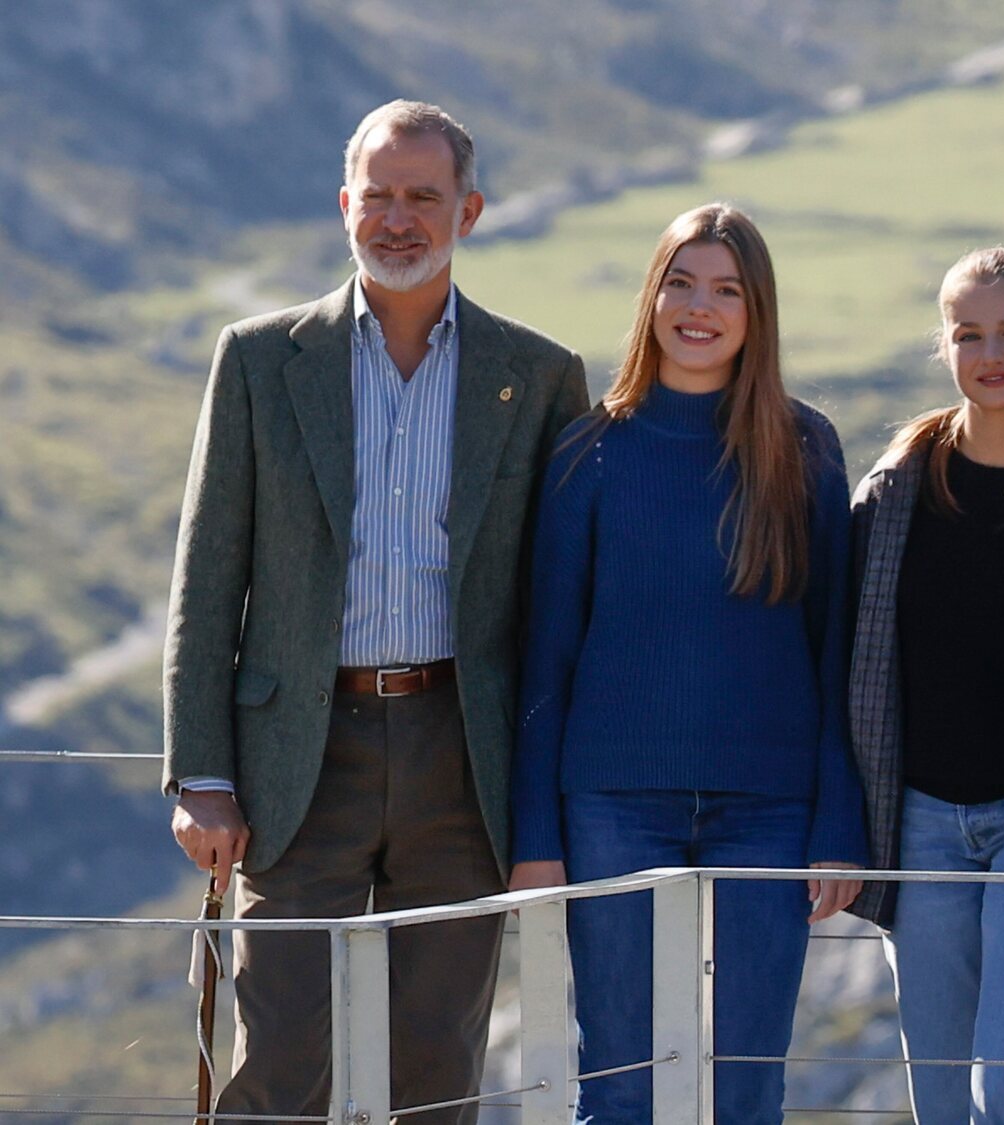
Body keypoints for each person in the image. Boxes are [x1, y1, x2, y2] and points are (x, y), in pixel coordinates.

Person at [162, 99, 589, 1122]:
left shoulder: (536, 378)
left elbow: (564, 607)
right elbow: (207, 580)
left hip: (461, 758)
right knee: (277, 1059)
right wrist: (204, 777)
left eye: (425, 198)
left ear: (469, 212)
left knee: (436, 1065)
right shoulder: (262, 362)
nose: (399, 220)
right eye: (380, 196)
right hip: (295, 762)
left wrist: (553, 794)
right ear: (343, 205)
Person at [508, 202, 867, 1124]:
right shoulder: (588, 452)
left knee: (749, 1088)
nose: (698, 307)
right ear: (651, 295)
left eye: (726, 290)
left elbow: (836, 651)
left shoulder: (806, 448)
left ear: (757, 312)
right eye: (681, 282)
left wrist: (837, 820)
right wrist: (535, 835)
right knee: (619, 1087)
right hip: (613, 805)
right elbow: (545, 654)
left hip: (772, 810)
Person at [847, 246, 1004, 1125]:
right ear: (944, 348)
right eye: (969, 333)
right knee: (943, 1101)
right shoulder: (897, 486)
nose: (993, 352)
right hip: (919, 824)